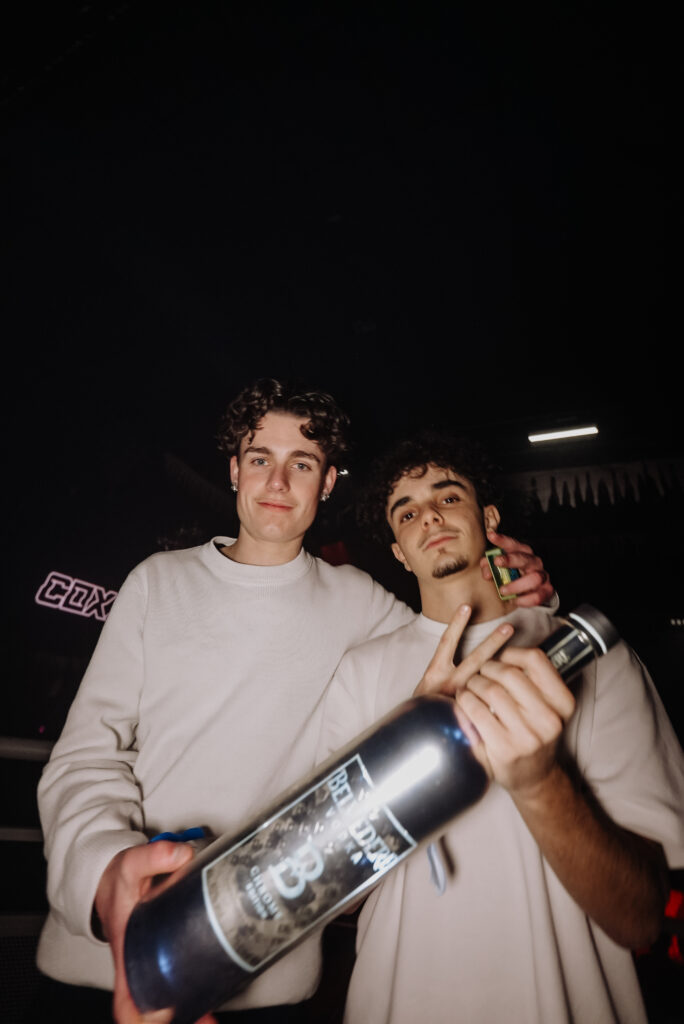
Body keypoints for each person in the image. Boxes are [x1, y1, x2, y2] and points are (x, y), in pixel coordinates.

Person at [35, 380, 554, 1024]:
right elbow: (87, 756)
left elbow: (460, 636)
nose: (277, 481)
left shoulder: (360, 603)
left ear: (328, 483)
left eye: (302, 464)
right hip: (104, 960)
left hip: (266, 983)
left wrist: (525, 588)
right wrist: (103, 873)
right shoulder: (158, 582)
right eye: (260, 459)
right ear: (234, 470)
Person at [318, 430, 684, 1024]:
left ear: (489, 518)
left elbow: (641, 917)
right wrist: (408, 752)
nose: (428, 515)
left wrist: (540, 780)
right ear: (399, 553)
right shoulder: (360, 670)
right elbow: (332, 897)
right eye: (406, 512)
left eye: (447, 497)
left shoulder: (592, 656)